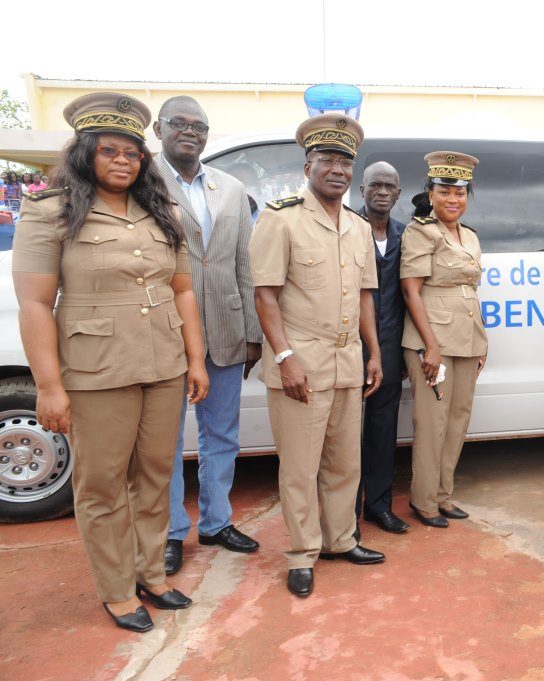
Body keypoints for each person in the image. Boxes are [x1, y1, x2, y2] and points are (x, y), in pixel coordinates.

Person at [12, 92, 210, 632]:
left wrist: (195, 360)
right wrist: (49, 387)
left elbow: (183, 291)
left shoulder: (161, 211)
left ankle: (151, 573)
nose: (123, 161)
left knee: (155, 475)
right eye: (109, 151)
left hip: (163, 367)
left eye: (132, 152)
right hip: (96, 372)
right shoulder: (50, 210)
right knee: (101, 485)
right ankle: (117, 590)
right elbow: (34, 304)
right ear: (85, 153)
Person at [249, 113, 386, 598]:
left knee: (344, 463)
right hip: (300, 363)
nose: (337, 169)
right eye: (327, 159)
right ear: (307, 165)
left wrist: (373, 353)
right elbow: (265, 295)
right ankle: (303, 554)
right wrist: (284, 355)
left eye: (345, 162)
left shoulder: (356, 225)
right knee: (300, 468)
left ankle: (340, 540)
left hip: (348, 360)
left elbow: (367, 296)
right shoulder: (280, 217)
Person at [154, 96, 262, 576]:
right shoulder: (141, 181)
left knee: (222, 433)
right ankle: (172, 531)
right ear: (159, 130)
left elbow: (243, 262)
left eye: (199, 126)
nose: (190, 132)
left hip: (225, 328)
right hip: (163, 333)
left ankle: (217, 521)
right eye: (179, 123)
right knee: (165, 439)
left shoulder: (232, 188)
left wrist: (253, 332)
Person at [400, 151, 487, 528]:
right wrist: (430, 345)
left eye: (461, 192)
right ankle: (423, 500)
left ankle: (443, 494)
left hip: (467, 340)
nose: (454, 199)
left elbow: (470, 291)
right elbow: (410, 291)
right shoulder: (421, 230)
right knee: (433, 422)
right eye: (445, 191)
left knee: (457, 420)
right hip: (431, 341)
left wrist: (481, 341)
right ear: (431, 194)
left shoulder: (468, 235)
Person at [355, 161, 410, 533]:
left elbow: (410, 295)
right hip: (344, 346)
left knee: (382, 431)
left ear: (399, 194)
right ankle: (344, 516)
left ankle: (378, 505)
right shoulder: (344, 228)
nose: (383, 192)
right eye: (376, 185)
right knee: (340, 439)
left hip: (388, 348)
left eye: (390, 186)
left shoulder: (407, 235)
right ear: (362, 191)